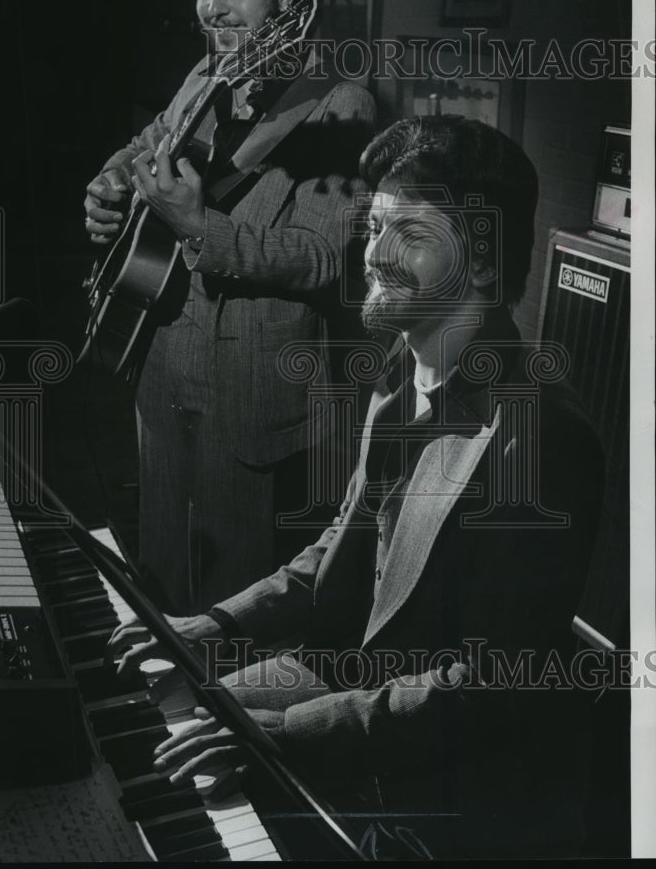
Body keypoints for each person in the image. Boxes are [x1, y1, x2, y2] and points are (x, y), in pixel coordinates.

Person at [108, 115, 605, 859]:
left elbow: (490, 687)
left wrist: (284, 732)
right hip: (343, 671)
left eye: (407, 234)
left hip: (435, 758)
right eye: (373, 227)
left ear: (478, 261)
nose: (372, 255)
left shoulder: (540, 438)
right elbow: (338, 550)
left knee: (184, 787)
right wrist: (211, 625)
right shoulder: (399, 373)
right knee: (145, 725)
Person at [83, 0, 376, 613]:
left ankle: (226, 724)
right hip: (159, 364)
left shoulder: (337, 101)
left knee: (234, 601)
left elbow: (320, 257)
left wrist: (196, 225)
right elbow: (148, 140)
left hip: (251, 390)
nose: (212, 7)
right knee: (160, 568)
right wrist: (109, 182)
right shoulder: (207, 71)